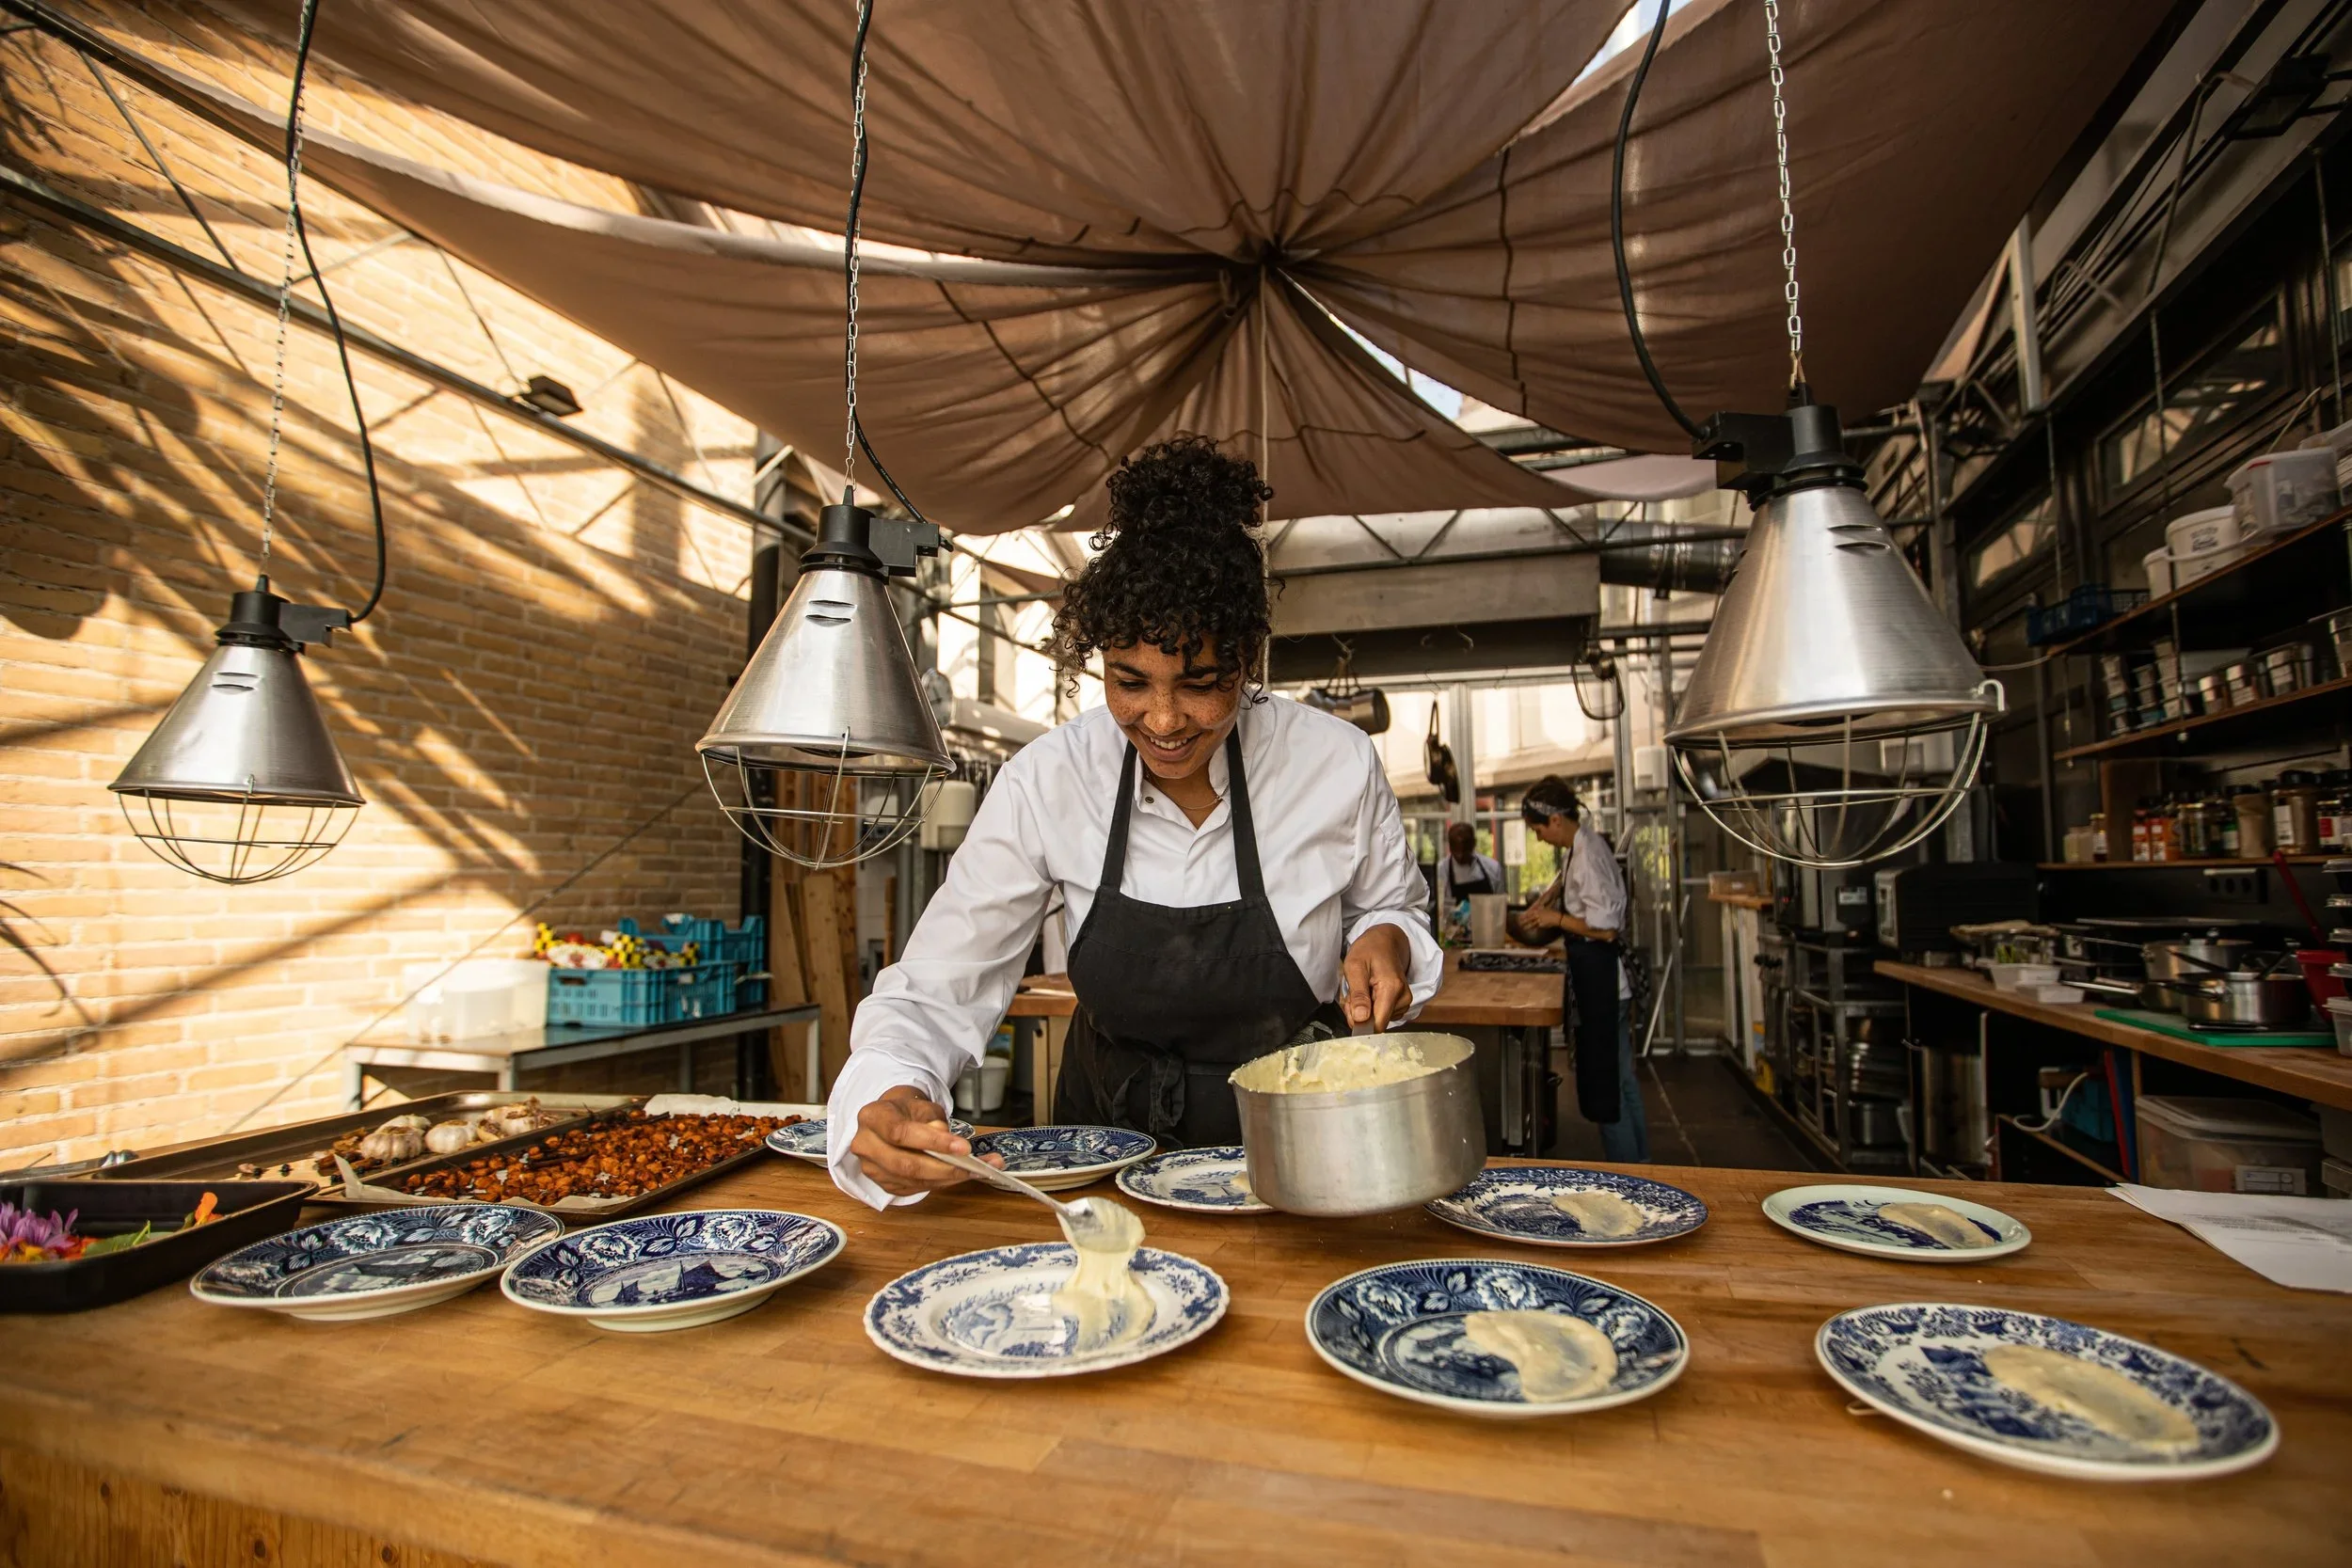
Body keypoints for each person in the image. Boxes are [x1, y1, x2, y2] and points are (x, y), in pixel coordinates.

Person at [829, 435, 1446, 1207]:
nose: (1162, 719)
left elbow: (1390, 910)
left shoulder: (1335, 764)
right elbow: (932, 991)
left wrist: (1384, 935)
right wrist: (890, 1090)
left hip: (1300, 1154)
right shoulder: (1049, 780)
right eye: (1130, 681)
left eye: (1199, 685)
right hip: (1099, 1163)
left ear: (1248, 659)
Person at [1513, 776, 1648, 1162]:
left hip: (1604, 981)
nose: (1539, 838)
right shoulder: (1582, 843)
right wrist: (1547, 900)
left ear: (1555, 820)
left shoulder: (1587, 853)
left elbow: (1605, 929)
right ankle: (1646, 1165)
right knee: (1621, 1080)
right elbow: (1569, 884)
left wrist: (1554, 919)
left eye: (1538, 829)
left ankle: (1628, 1175)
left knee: (1607, 1086)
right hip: (1604, 981)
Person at [1433, 820, 1503, 935]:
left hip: (1488, 934)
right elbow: (1439, 912)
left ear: (1474, 844)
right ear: (1449, 846)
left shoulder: (1492, 868)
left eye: (1465, 851)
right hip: (1455, 936)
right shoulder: (1441, 871)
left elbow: (1501, 907)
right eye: (1456, 851)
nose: (1460, 856)